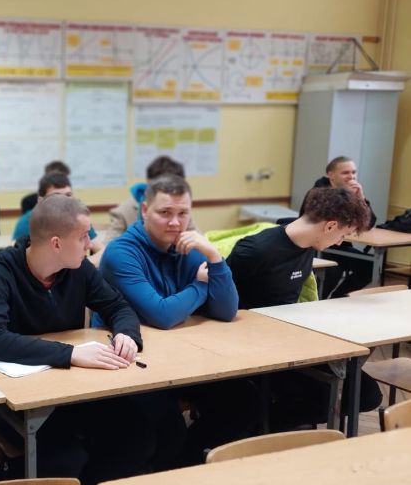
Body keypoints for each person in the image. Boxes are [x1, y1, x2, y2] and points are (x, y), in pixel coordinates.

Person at [0, 194, 185, 485]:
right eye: (83, 236)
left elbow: (118, 307)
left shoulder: (78, 268)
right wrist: (70, 353)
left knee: (140, 436)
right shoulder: (0, 270)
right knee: (65, 460)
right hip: (23, 397)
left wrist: (127, 334)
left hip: (74, 388)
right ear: (56, 244)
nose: (90, 243)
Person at [96, 174, 256, 465]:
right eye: (165, 212)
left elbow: (226, 311)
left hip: (180, 359)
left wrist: (214, 256)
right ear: (145, 210)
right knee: (166, 429)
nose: (175, 222)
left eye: (183, 213)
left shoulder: (188, 248)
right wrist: (201, 285)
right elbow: (163, 315)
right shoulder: (121, 253)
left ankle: (188, 464)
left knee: (243, 399)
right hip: (132, 366)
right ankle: (168, 471)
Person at [228, 186, 381, 430]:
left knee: (367, 394)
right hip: (255, 349)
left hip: (293, 340)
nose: (340, 242)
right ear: (330, 226)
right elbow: (221, 306)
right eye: (343, 234)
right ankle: (257, 431)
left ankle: (271, 426)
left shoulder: (307, 245)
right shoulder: (255, 251)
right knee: (320, 396)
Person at [297, 156, 377, 297]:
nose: (351, 176)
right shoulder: (318, 192)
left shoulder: (352, 192)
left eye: (353, 172)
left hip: (340, 245)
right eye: (345, 173)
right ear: (330, 175)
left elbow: (368, 224)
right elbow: (314, 221)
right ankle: (319, 300)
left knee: (369, 266)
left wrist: (361, 198)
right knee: (334, 270)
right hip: (318, 245)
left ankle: (339, 297)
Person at [107, 155, 197, 242]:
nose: (175, 222)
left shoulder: (180, 210)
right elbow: (109, 246)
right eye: (165, 212)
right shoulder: (123, 212)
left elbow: (197, 239)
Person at [13, 172, 104, 258]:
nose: (65, 202)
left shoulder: (79, 218)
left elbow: (102, 251)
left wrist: (85, 266)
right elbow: (20, 259)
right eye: (57, 197)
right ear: (41, 201)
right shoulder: (27, 222)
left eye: (68, 195)